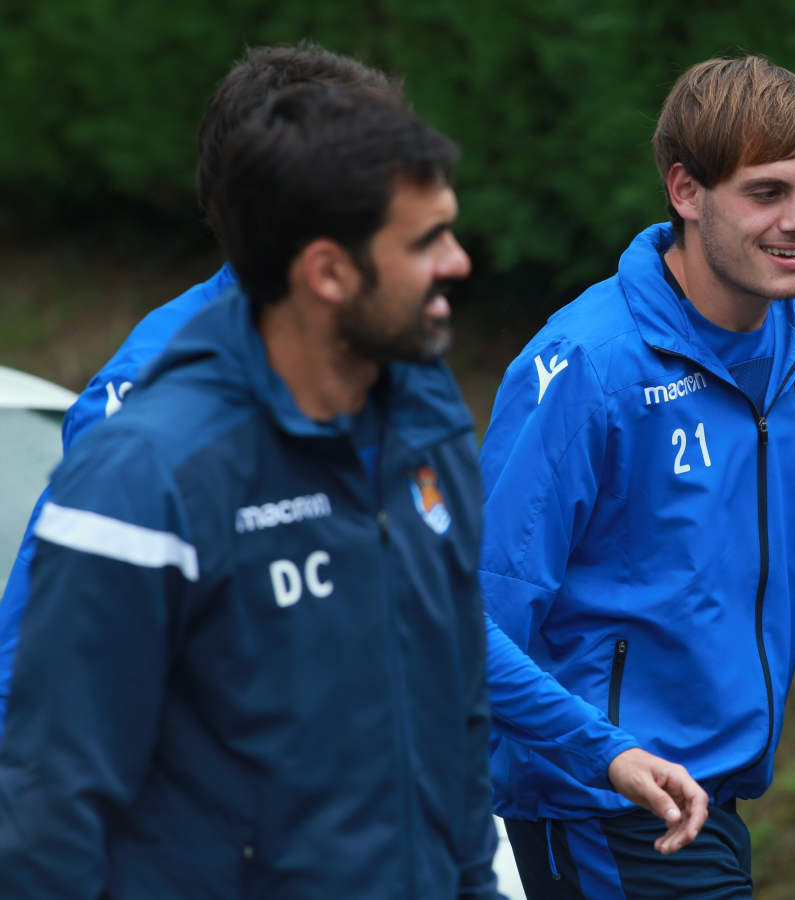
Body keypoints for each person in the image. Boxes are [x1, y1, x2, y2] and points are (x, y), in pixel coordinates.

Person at [0, 42, 708, 854]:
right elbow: (39, 684)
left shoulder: (404, 383)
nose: (450, 254)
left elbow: (436, 615)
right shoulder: (149, 416)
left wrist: (602, 752)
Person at [478, 55, 795, 897]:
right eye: (766, 193)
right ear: (685, 191)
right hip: (602, 808)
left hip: (711, 802)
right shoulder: (590, 367)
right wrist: (604, 754)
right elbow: (467, 620)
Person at [0, 81, 501, 896]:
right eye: (424, 242)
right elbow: (51, 804)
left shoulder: (427, 427)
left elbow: (457, 712)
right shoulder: (147, 473)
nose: (457, 262)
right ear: (327, 272)